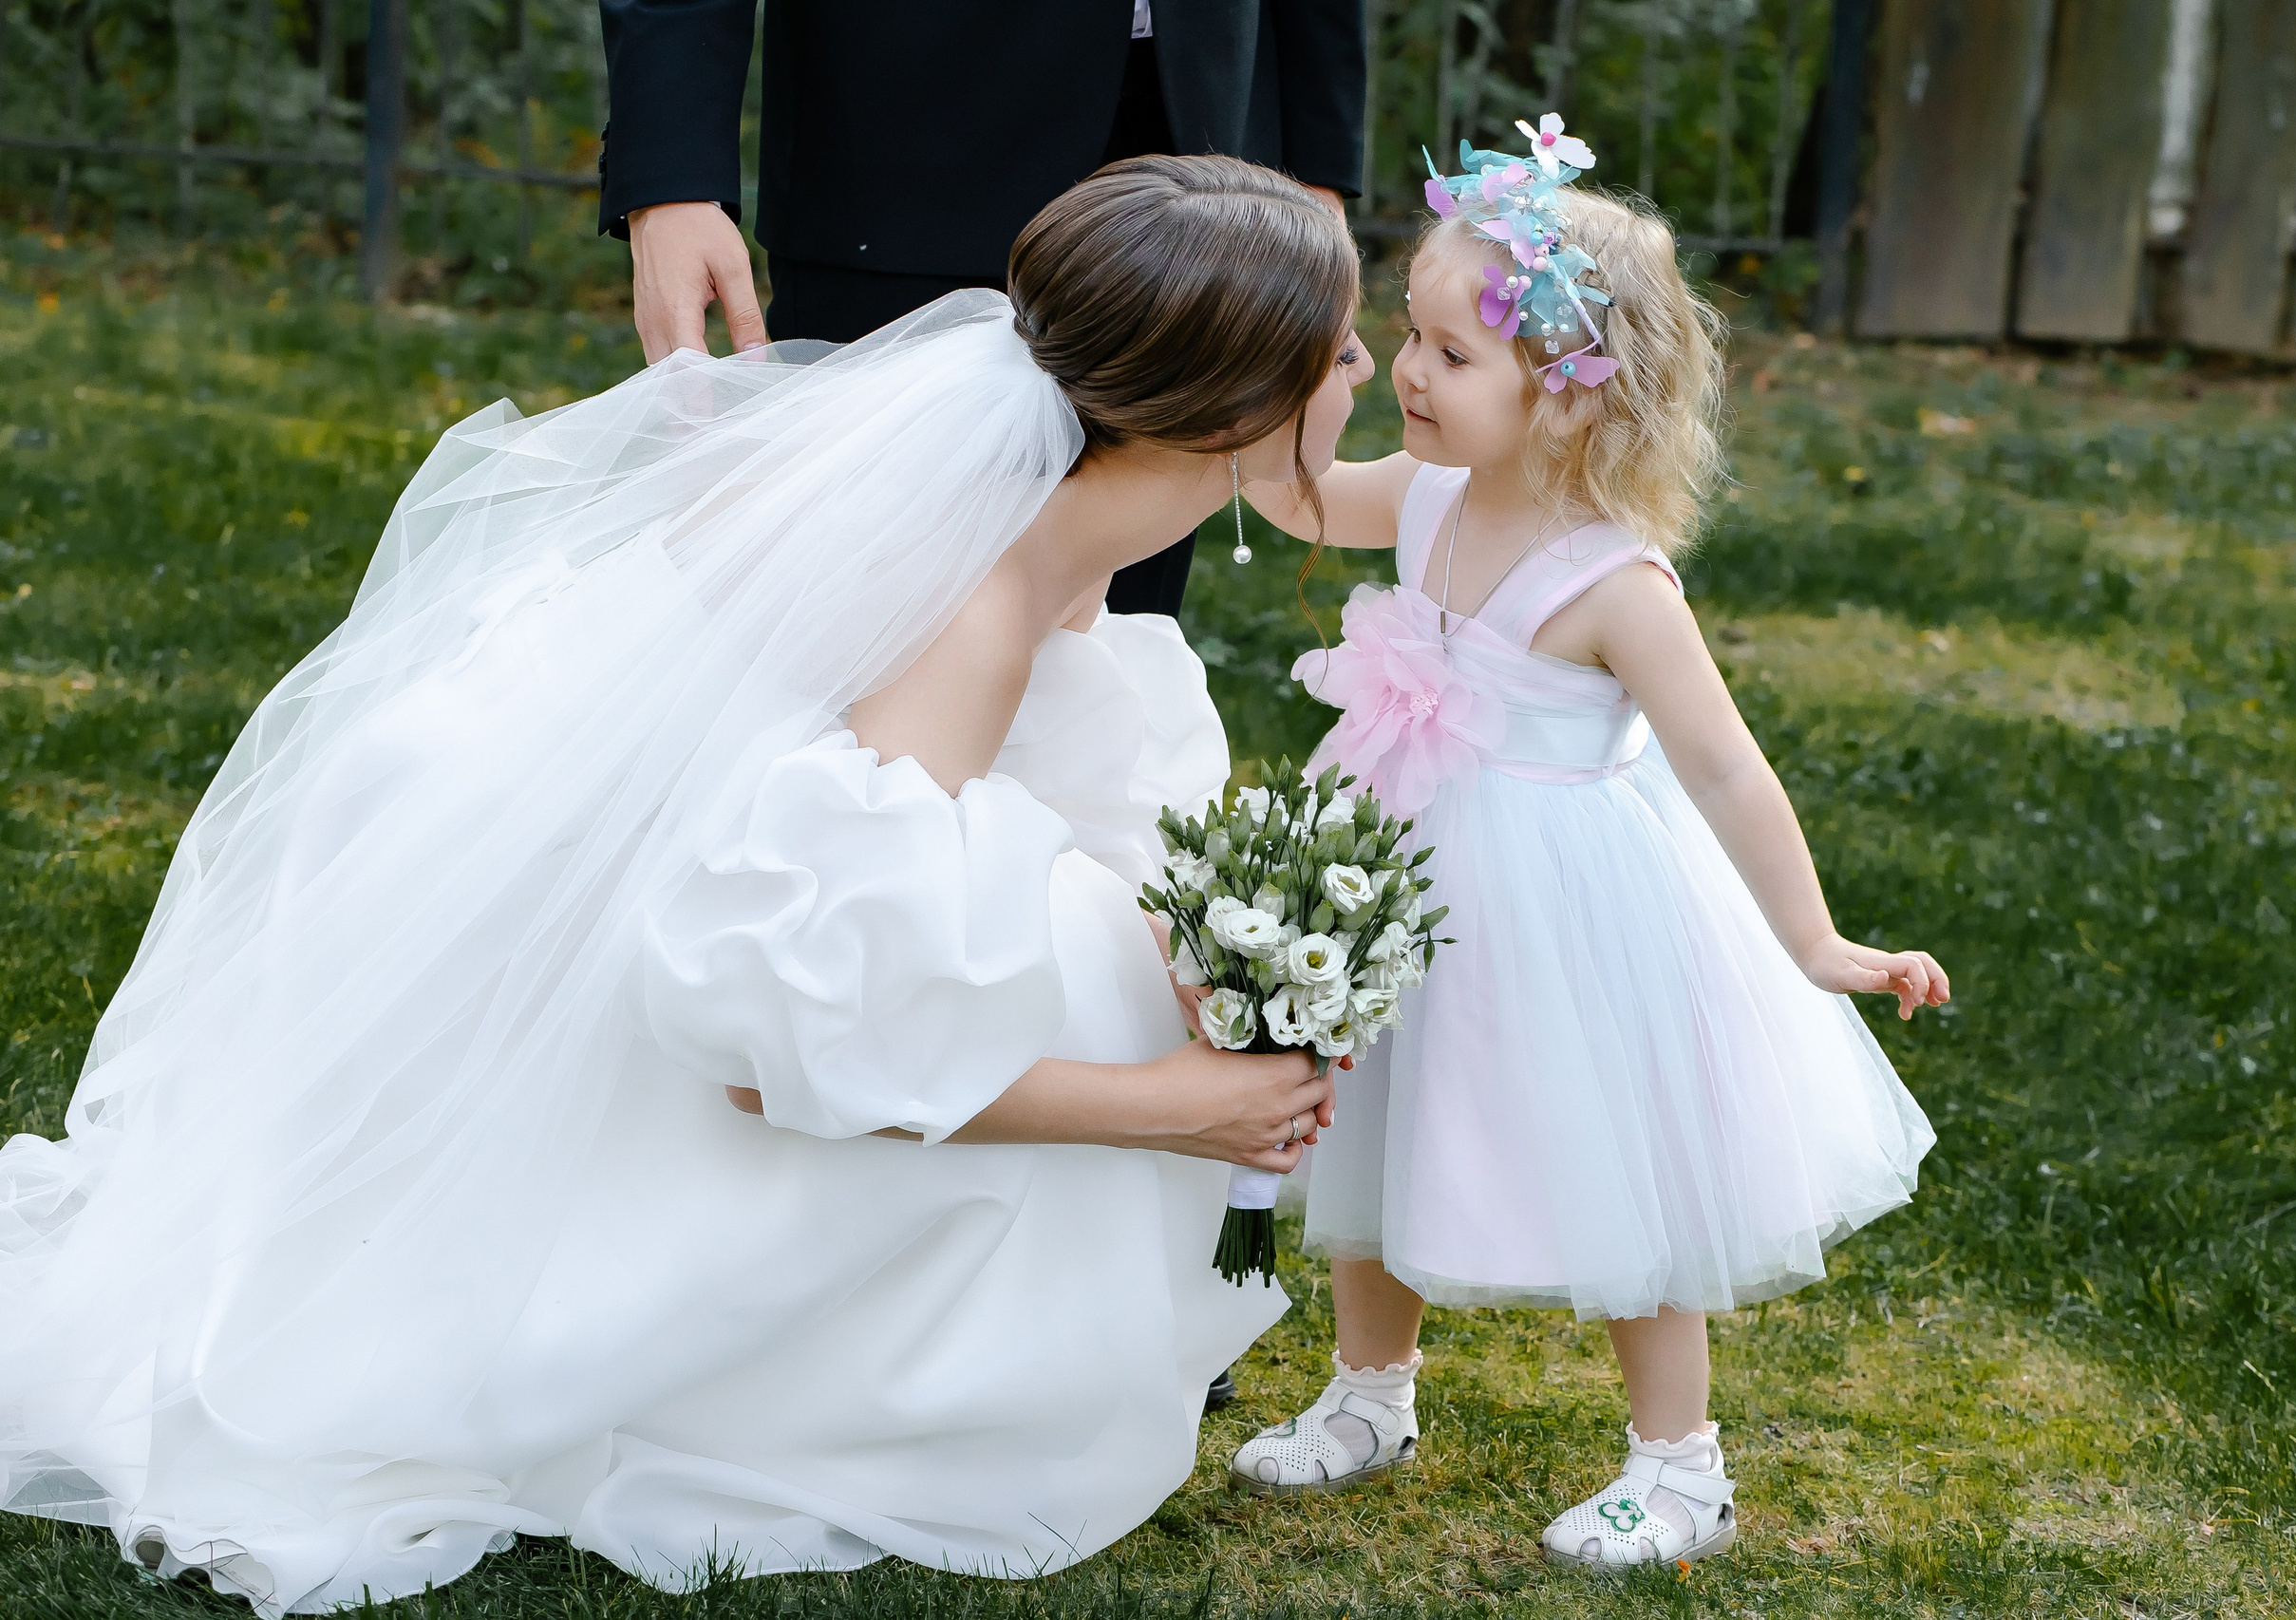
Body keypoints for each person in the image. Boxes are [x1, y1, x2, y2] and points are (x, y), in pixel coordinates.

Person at [0, 156, 1373, 1611]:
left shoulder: (1047, 507)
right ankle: (852, 1378)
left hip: (635, 908)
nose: (1366, 367)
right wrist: (1176, 1109)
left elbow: (1055, 796)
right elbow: (780, 1051)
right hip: (643, 1017)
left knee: (1097, 943)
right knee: (1088, 991)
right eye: (1344, 345)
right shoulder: (969, 606)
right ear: (1230, 416)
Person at [1224, 122, 1945, 1570]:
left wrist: (1814, 943)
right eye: (1403, 340)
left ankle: (1681, 1464)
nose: (1411, 371)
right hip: (1392, 868)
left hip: (1558, 905)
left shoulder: (1615, 581)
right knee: (1369, 1111)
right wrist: (1305, 382)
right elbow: (1292, 497)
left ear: (1562, 399)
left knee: (1620, 1159)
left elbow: (1727, 769)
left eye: (1446, 353)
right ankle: (1374, 1389)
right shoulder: (1423, 492)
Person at [595, 0, 1365, 621]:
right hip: (902, 136)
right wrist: (671, 176)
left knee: (1118, 634)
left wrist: (1316, 166)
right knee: (856, 602)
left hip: (1196, 125)